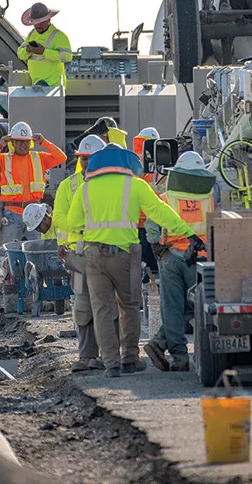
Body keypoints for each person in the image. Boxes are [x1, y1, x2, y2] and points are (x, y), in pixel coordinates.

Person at [67, 143, 201, 378]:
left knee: (101, 310)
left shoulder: (85, 189)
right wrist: (187, 232)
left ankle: (110, 364)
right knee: (128, 307)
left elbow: (72, 223)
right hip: (125, 255)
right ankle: (129, 359)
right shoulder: (135, 185)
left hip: (94, 255)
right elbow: (160, 212)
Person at [143, 151, 216, 372]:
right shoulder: (211, 196)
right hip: (200, 261)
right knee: (197, 306)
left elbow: (151, 224)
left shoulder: (167, 197)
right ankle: (161, 344)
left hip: (171, 256)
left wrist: (156, 245)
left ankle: (177, 356)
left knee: (174, 307)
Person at [51, 135, 107, 372]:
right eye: (83, 159)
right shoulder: (68, 185)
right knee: (82, 306)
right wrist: (76, 231)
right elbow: (59, 218)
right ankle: (87, 356)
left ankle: (107, 355)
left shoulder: (111, 184)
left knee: (105, 305)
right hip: (79, 253)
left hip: (104, 250)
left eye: (90, 158)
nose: (85, 163)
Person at [0, 121, 67, 244]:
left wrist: (43, 142)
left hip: (35, 213)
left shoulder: (39, 158)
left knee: (38, 250)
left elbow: (61, 157)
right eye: (20, 141)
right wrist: (0, 146)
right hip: (12, 213)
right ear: (13, 143)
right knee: (11, 252)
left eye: (26, 141)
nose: (23, 145)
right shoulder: (4, 159)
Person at [17, 2, 73, 88]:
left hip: (54, 87)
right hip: (36, 85)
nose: (38, 25)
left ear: (49, 19)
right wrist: (27, 50)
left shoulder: (59, 36)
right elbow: (20, 54)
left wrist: (44, 52)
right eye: (35, 22)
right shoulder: (32, 34)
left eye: (41, 22)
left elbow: (68, 56)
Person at [132, 127, 162, 280]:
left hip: (136, 223)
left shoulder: (134, 161)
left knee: (140, 268)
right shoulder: (159, 162)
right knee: (155, 269)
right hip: (155, 220)